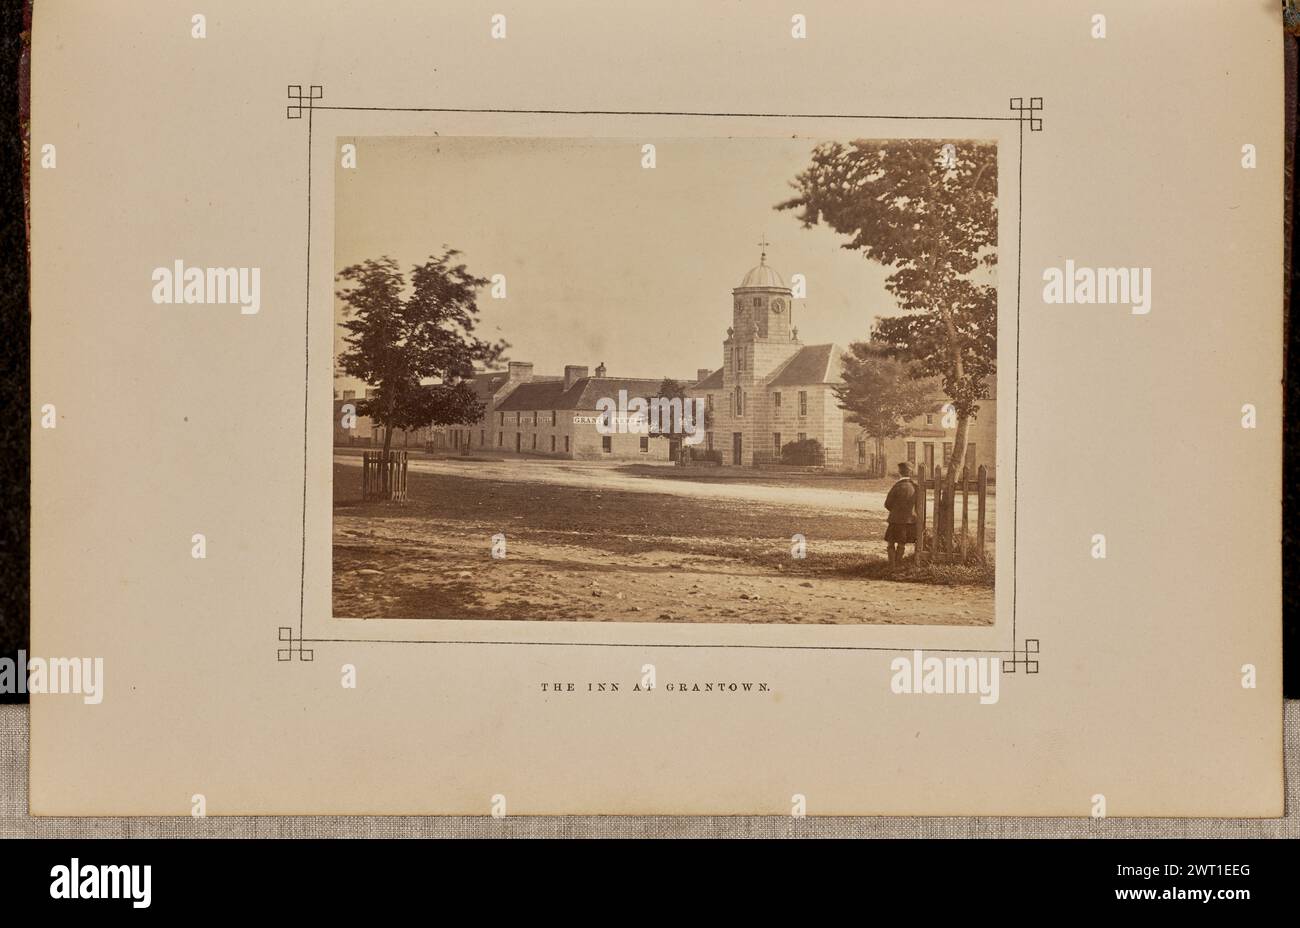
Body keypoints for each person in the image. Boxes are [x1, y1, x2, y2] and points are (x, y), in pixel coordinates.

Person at [884, 462, 918, 569]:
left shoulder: (897, 487)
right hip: (909, 521)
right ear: (911, 473)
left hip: (895, 520)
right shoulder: (915, 487)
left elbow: (887, 504)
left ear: (899, 473)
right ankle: (898, 564)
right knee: (902, 543)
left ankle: (892, 565)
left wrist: (895, 511)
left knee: (891, 543)